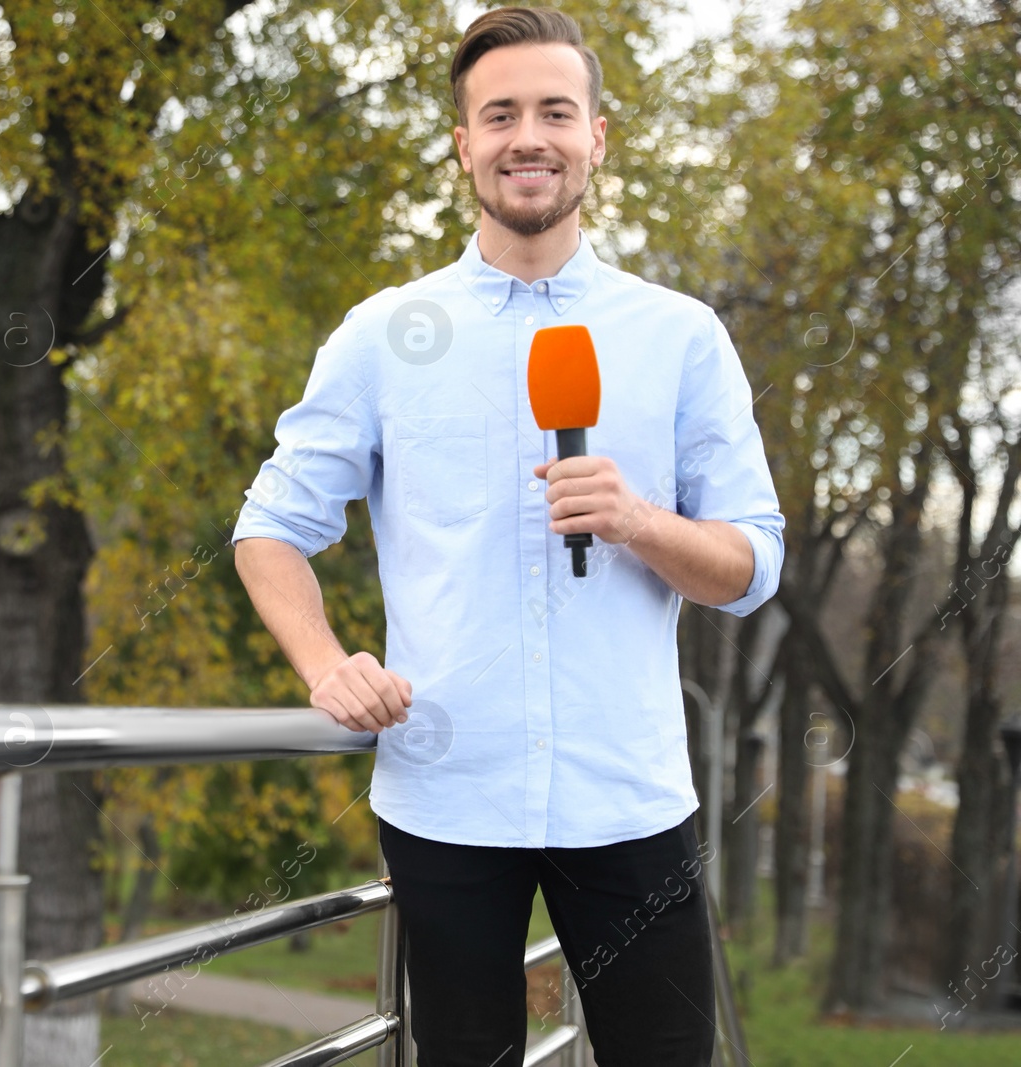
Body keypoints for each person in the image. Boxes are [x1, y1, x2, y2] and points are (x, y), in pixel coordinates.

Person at [230, 7, 784, 1065]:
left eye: (553, 111)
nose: (527, 136)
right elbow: (269, 528)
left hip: (630, 796)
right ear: (464, 144)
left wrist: (639, 521)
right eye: (499, 115)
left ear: (596, 137)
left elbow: (753, 565)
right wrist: (323, 662)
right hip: (447, 795)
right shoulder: (384, 334)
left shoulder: (677, 336)